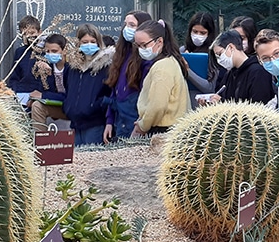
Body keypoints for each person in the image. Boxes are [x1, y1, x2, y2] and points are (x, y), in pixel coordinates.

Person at [102, 11, 153, 142]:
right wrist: (109, 120)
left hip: (135, 119)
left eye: (132, 25)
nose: (127, 29)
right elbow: (114, 90)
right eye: (125, 24)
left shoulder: (146, 57)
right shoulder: (122, 54)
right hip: (119, 119)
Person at [133, 19, 190, 136]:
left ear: (159, 41)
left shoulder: (162, 67)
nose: (141, 49)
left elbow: (157, 106)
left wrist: (143, 125)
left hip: (162, 129)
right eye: (137, 45)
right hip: (174, 127)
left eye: (144, 45)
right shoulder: (171, 60)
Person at [63, 24, 115, 145]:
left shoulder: (106, 66)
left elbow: (110, 92)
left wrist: (98, 105)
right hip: (75, 123)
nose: (89, 45)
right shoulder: (72, 67)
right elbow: (68, 89)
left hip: (95, 123)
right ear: (78, 43)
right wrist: (68, 107)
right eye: (85, 42)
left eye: (93, 41)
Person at [203, 30, 275, 105]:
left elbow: (258, 105)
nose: (219, 60)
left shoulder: (258, 72)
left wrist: (222, 103)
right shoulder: (229, 74)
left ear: (231, 47)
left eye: (220, 54)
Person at [29, 33, 69, 130]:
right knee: (37, 106)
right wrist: (35, 98)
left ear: (64, 51)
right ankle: (40, 141)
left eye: (54, 51)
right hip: (58, 106)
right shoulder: (48, 66)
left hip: (72, 107)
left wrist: (43, 96)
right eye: (48, 51)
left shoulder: (72, 68)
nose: (51, 54)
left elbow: (70, 96)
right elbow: (43, 90)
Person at [182, 12, 221, 104]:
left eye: (203, 33)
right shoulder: (183, 50)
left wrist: (188, 71)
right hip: (183, 103)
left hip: (201, 106)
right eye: (195, 32)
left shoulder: (213, 54)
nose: (198, 36)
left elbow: (210, 88)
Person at [7, 15, 44, 108]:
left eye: (32, 32)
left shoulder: (47, 52)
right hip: (21, 95)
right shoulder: (20, 52)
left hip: (38, 96)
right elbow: (14, 77)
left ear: (40, 32)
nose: (29, 36)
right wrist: (15, 92)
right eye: (25, 34)